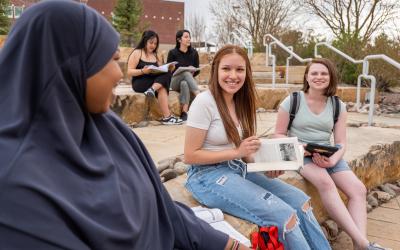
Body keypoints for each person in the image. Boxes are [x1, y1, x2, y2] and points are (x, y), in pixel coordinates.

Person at [0, 2, 246, 249]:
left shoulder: (109, 129)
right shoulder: (14, 187)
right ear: (69, 63)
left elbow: (163, 210)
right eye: (111, 59)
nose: (119, 75)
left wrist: (226, 244)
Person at [184, 45, 331, 250]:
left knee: (300, 202)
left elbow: (245, 154)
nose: (233, 76)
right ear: (216, 69)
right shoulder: (203, 102)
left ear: (247, 72)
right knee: (283, 215)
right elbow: (190, 155)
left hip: (237, 168)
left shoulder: (240, 102)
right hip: (206, 177)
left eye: (240, 70)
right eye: (226, 69)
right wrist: (237, 153)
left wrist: (266, 166)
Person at [274, 58, 389, 250]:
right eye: (314, 73)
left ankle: (358, 245)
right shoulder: (292, 100)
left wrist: (333, 159)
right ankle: (364, 244)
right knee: (326, 183)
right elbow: (278, 134)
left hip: (328, 154)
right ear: (307, 77)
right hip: (299, 152)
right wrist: (301, 146)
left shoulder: (337, 105)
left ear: (331, 77)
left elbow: (341, 142)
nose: (319, 77)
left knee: (359, 190)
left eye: (324, 73)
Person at [127, 30, 183, 125]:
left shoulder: (155, 55)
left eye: (155, 43)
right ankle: (167, 117)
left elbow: (161, 71)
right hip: (139, 82)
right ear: (145, 41)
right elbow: (129, 71)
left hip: (153, 83)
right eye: (151, 43)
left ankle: (166, 117)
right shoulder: (137, 53)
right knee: (162, 85)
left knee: (167, 74)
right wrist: (142, 71)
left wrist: (170, 69)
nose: (153, 45)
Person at [167, 29, 200, 121]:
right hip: (174, 82)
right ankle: (199, 96)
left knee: (184, 83)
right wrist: (177, 69)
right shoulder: (172, 53)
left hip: (187, 80)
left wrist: (193, 71)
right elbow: (168, 71)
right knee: (185, 72)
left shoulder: (194, 53)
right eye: (186, 37)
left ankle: (184, 112)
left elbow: (197, 70)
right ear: (179, 40)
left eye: (189, 37)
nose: (189, 39)